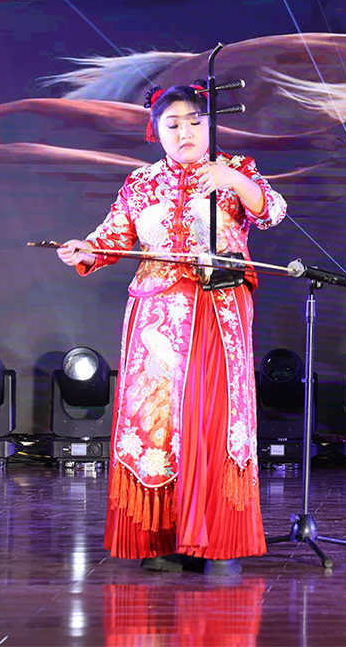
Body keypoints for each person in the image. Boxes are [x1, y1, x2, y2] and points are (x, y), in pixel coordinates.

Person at [57, 83, 287, 576]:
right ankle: (160, 535)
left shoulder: (235, 168)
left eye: (195, 122)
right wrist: (85, 249)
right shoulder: (141, 183)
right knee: (156, 421)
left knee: (213, 417)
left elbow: (271, 211)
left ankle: (218, 538)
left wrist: (231, 178)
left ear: (211, 125)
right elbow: (113, 236)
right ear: (156, 131)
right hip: (156, 314)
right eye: (173, 124)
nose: (185, 132)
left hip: (217, 309)